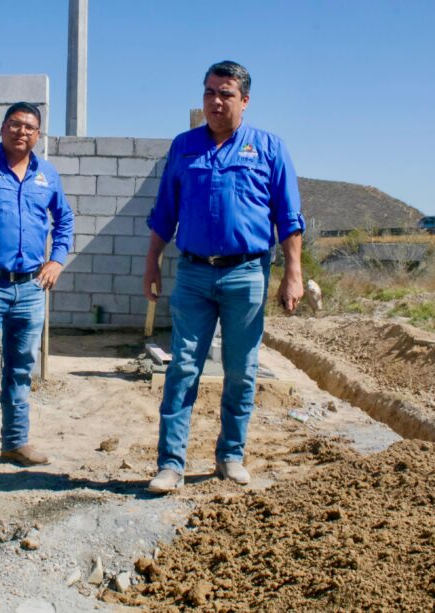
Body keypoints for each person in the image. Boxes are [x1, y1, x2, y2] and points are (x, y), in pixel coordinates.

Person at [143, 61, 305, 494]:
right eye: (210, 92)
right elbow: (164, 213)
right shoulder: (184, 147)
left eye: (226, 93)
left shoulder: (270, 148)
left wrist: (293, 273)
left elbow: (288, 219)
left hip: (247, 274)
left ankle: (230, 456)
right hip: (194, 273)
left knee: (241, 371)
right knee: (182, 369)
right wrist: (152, 262)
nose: (216, 101)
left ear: (245, 100)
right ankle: (170, 465)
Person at [0, 102, 74, 474]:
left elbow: (65, 220)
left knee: (21, 370)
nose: (22, 132)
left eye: (30, 127)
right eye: (15, 124)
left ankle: (14, 442)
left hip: (31, 288)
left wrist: (57, 260)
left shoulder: (47, 175)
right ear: (3, 127)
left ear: (38, 135)